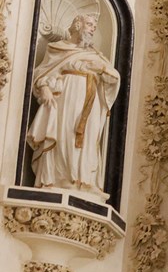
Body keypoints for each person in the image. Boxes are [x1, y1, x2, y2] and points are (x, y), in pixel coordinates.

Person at [28, 12, 120, 198]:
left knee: (88, 138)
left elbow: (114, 77)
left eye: (94, 27)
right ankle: (59, 179)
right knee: (65, 133)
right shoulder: (58, 48)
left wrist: (101, 69)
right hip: (66, 96)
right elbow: (41, 73)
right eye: (89, 24)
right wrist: (44, 87)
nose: (92, 29)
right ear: (77, 25)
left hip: (92, 100)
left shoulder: (95, 54)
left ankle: (84, 181)